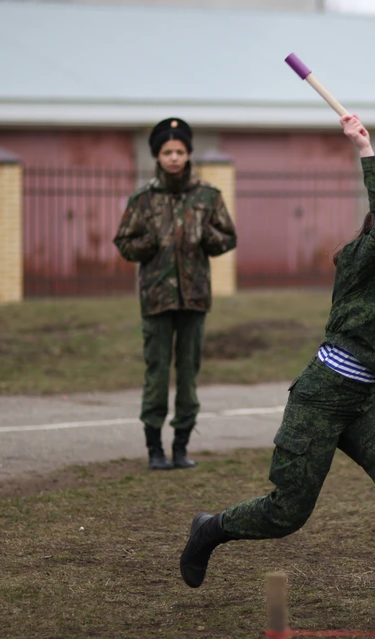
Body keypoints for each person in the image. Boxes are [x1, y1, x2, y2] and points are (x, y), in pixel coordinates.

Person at [179, 115, 375, 622]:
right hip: (322, 395)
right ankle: (211, 528)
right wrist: (366, 147)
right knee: (288, 512)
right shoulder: (363, 256)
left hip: (364, 401)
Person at [113, 118, 237, 471]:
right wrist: (148, 243)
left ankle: (181, 446)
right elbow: (123, 242)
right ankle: (154, 448)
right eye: (167, 152)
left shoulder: (207, 196)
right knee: (156, 373)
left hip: (195, 298)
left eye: (179, 151)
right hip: (156, 299)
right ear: (157, 155)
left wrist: (206, 239)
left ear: (188, 154)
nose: (173, 157)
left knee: (188, 373)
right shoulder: (143, 199)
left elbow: (228, 236)